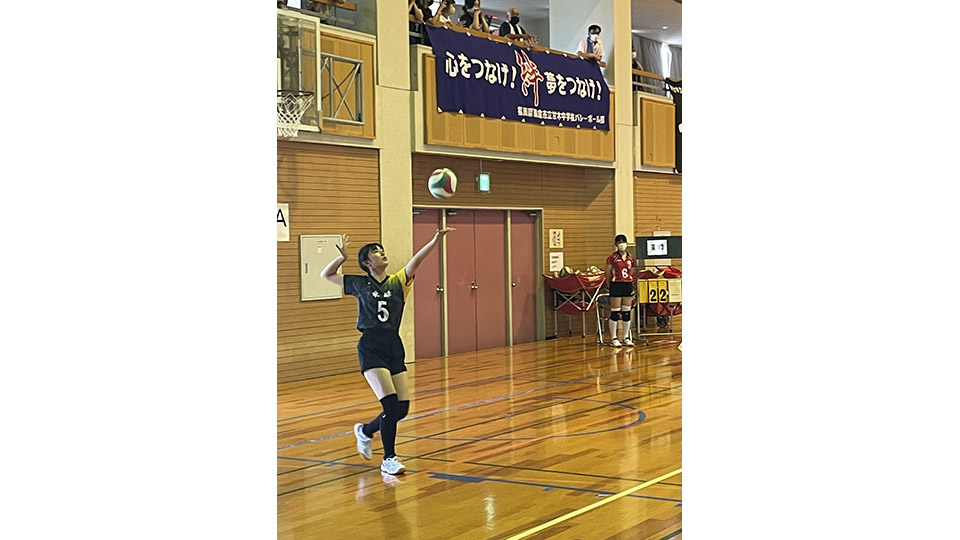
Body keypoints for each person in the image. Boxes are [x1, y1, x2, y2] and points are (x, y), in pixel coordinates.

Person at [320, 228, 455, 475]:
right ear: (367, 263)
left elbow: (417, 260)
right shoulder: (360, 283)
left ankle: (365, 431)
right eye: (376, 252)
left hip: (393, 344)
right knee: (390, 405)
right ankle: (389, 458)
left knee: (401, 409)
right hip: (371, 345)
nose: (382, 253)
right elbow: (326, 274)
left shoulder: (398, 281)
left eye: (382, 250)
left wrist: (434, 240)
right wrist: (341, 258)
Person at [604, 234, 637, 347]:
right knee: (615, 312)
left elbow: (631, 270)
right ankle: (614, 337)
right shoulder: (612, 257)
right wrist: (608, 284)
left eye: (623, 242)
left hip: (627, 285)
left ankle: (626, 337)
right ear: (616, 244)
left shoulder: (631, 257)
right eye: (619, 242)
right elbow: (607, 272)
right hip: (616, 284)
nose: (621, 244)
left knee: (626, 312)